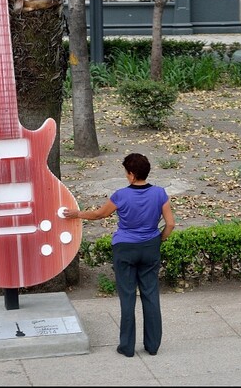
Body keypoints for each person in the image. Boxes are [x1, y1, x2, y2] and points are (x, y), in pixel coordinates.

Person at [63, 153, 175, 357]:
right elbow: (170, 224)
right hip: (150, 247)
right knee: (151, 296)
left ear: (132, 175)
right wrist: (160, 239)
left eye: (126, 172)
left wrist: (77, 214)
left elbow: (99, 214)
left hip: (125, 249)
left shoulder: (121, 195)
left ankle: (127, 347)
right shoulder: (160, 194)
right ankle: (152, 346)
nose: (125, 176)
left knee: (128, 297)